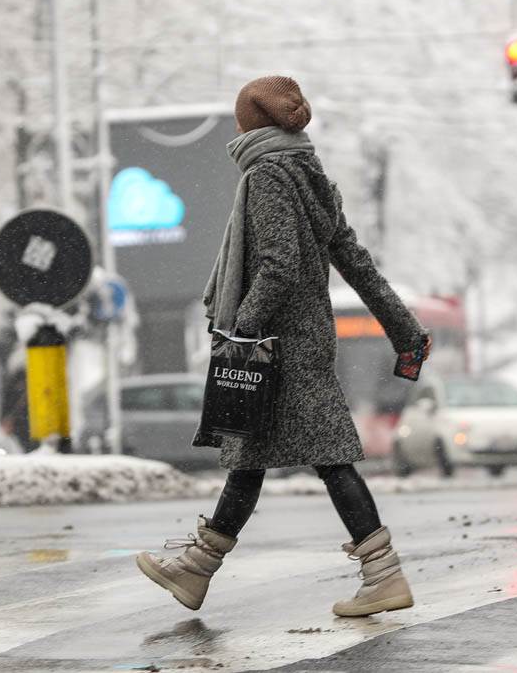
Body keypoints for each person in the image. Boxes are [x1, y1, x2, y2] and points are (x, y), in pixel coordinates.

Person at [136, 75, 431, 618]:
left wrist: (241, 329)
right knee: (256, 456)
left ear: (252, 122)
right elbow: (356, 264)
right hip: (306, 337)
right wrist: (405, 330)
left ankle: (382, 574)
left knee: (322, 458)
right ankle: (197, 569)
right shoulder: (311, 175)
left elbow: (277, 266)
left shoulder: (268, 175)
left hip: (280, 344)